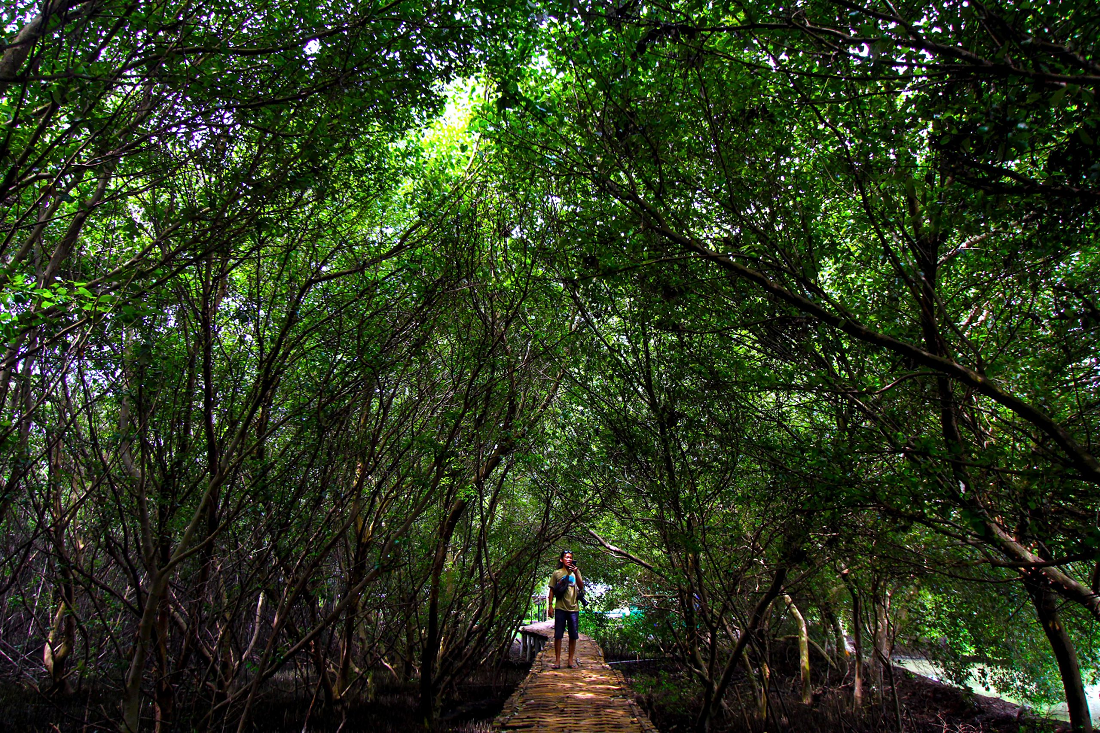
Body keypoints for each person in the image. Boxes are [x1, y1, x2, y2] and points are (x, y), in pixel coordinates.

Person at [547, 549, 583, 669]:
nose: (569, 559)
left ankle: (570, 660)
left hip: (573, 609)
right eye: (566, 557)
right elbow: (551, 590)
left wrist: (577, 573)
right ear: (562, 559)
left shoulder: (575, 573)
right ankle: (557, 661)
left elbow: (581, 586)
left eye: (570, 557)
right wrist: (550, 606)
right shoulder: (556, 573)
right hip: (560, 608)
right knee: (558, 635)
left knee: (573, 635)